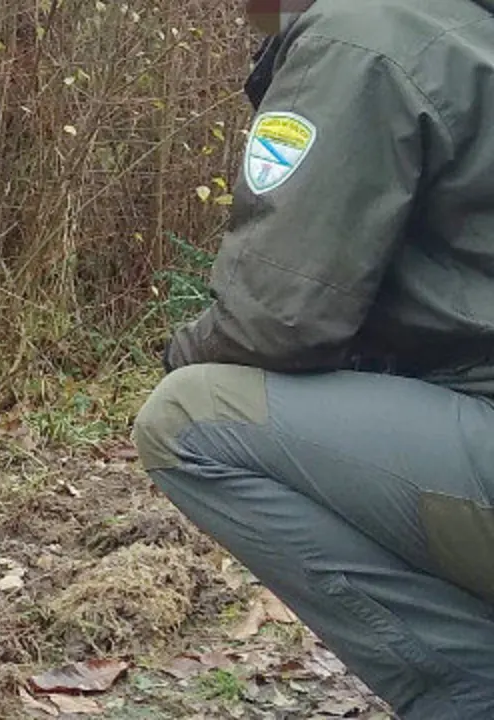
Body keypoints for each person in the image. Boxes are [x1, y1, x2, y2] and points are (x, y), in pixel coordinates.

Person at [130, 0, 494, 717]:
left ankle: (465, 691)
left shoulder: (363, 34)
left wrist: (177, 354)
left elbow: (277, 316)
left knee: (190, 418)